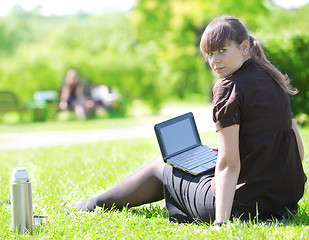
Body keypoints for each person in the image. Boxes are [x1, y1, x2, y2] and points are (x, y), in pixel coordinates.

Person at [72, 15, 307, 225]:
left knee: (162, 166)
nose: (215, 61)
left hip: (242, 208)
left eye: (222, 51)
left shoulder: (228, 87)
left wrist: (221, 222)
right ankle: (93, 203)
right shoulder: (272, 79)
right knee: (201, 166)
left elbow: (228, 165)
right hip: (282, 205)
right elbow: (297, 148)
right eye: (209, 54)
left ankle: (91, 205)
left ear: (244, 47)